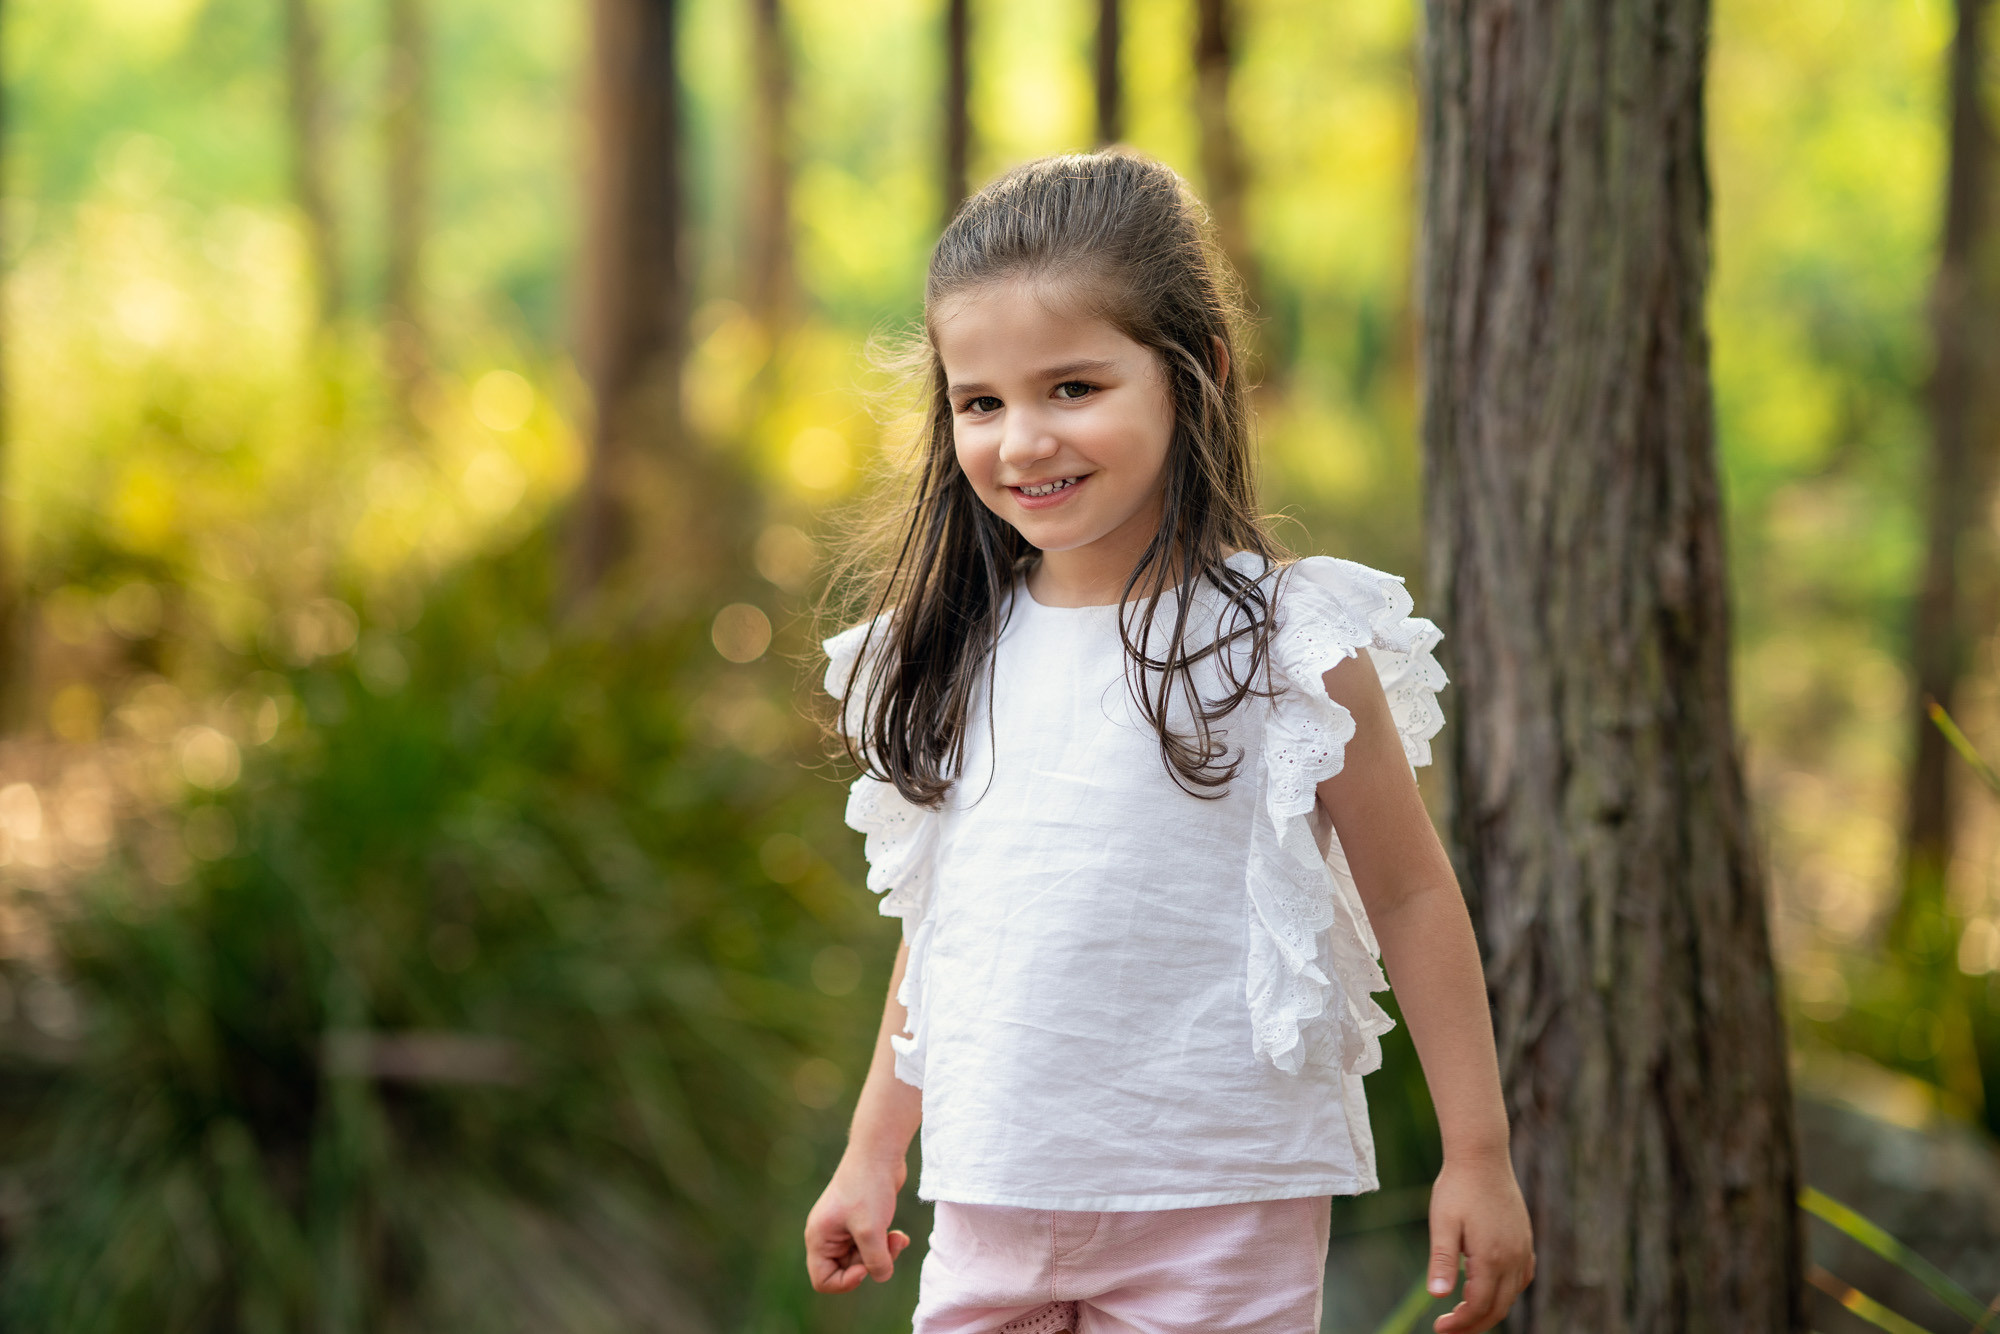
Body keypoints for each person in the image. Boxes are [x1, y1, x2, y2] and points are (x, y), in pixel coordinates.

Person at [803, 150, 1533, 1334]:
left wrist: (1478, 1152)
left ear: (1197, 373)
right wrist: (871, 1150)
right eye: (980, 402)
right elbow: (944, 930)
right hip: (990, 1193)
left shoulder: (1290, 637)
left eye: (1073, 387)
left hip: (1217, 1195)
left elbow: (1407, 894)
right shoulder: (955, 648)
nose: (1022, 439)